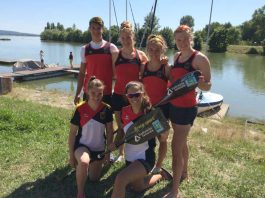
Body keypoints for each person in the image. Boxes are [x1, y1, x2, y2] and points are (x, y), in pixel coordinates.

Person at [164, 25, 211, 198]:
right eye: (178, 40)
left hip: (187, 109)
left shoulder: (200, 59)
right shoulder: (176, 56)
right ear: (175, 41)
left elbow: (208, 85)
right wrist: (167, 72)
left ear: (191, 38)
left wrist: (201, 83)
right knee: (182, 142)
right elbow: (174, 81)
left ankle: (174, 191)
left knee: (175, 147)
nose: (182, 43)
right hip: (173, 106)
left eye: (185, 39)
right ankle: (184, 172)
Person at [111, 81, 172, 198]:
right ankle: (160, 175)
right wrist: (116, 143)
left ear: (143, 94)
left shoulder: (151, 114)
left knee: (120, 179)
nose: (134, 98)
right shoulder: (124, 112)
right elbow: (121, 132)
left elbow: (163, 140)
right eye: (130, 96)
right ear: (126, 96)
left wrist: (164, 135)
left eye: (137, 95)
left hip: (145, 159)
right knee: (138, 187)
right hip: (129, 159)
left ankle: (156, 170)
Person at [68, 76, 114, 198]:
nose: (97, 96)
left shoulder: (106, 109)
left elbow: (110, 131)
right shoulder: (80, 109)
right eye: (93, 93)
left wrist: (108, 153)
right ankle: (80, 193)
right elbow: (72, 133)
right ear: (87, 92)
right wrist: (71, 155)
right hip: (82, 146)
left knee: (94, 178)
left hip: (98, 149)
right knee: (84, 162)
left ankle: (83, 169)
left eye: (100, 93)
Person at [112, 21, 148, 162]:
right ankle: (120, 153)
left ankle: (134, 153)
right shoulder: (116, 55)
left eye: (129, 38)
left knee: (134, 127)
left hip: (134, 98)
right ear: (120, 39)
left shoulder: (141, 56)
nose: (126, 41)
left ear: (134, 38)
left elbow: (148, 74)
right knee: (121, 127)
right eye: (123, 38)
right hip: (119, 96)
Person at [141, 34, 171, 173]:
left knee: (162, 138)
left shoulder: (165, 67)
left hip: (162, 109)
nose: (154, 53)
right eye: (151, 50)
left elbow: (173, 85)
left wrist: (167, 65)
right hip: (147, 108)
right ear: (147, 49)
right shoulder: (143, 67)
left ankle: (158, 166)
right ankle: (147, 163)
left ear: (162, 50)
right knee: (148, 138)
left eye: (157, 50)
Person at [74, 16, 119, 106]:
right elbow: (82, 73)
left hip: (105, 93)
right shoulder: (84, 49)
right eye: (93, 28)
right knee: (88, 120)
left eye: (99, 28)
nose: (96, 31)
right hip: (89, 92)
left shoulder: (111, 48)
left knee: (105, 120)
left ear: (102, 29)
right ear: (89, 29)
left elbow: (117, 73)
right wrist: (78, 93)